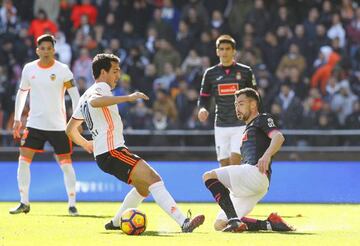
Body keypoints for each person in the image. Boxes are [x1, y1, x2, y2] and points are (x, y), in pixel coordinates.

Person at [65, 53, 204, 232]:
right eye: (115, 71)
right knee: (154, 179)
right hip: (112, 151)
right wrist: (128, 98)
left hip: (107, 153)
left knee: (143, 188)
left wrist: (86, 144)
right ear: (102, 72)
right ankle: (184, 222)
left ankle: (116, 222)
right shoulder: (98, 90)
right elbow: (96, 102)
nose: (118, 76)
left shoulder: (84, 95)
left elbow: (70, 129)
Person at [203, 88, 294, 232]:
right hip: (254, 185)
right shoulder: (247, 129)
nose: (237, 108)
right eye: (236, 104)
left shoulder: (262, 119)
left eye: (241, 104)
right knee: (219, 224)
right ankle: (270, 224)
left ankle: (234, 221)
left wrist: (266, 155)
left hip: (255, 173)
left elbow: (278, 137)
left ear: (253, 105)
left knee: (208, 176)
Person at [9, 34, 80, 216]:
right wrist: (18, 118)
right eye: (43, 48)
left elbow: (74, 95)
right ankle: (24, 202)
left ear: (54, 50)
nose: (46, 51)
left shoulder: (63, 70)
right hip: (34, 124)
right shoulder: (29, 69)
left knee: (66, 164)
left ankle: (72, 204)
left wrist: (78, 119)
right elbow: (22, 93)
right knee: (23, 161)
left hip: (58, 126)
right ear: (37, 50)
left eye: (49, 48)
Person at [197, 34, 257, 167]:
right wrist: (203, 109)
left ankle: (236, 188)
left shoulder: (246, 71)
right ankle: (229, 189)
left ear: (234, 51)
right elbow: (204, 97)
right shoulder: (210, 73)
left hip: (240, 124)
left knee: (235, 160)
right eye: (222, 49)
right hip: (220, 125)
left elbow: (254, 96)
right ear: (217, 51)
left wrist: (255, 119)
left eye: (228, 49)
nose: (224, 52)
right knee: (224, 164)